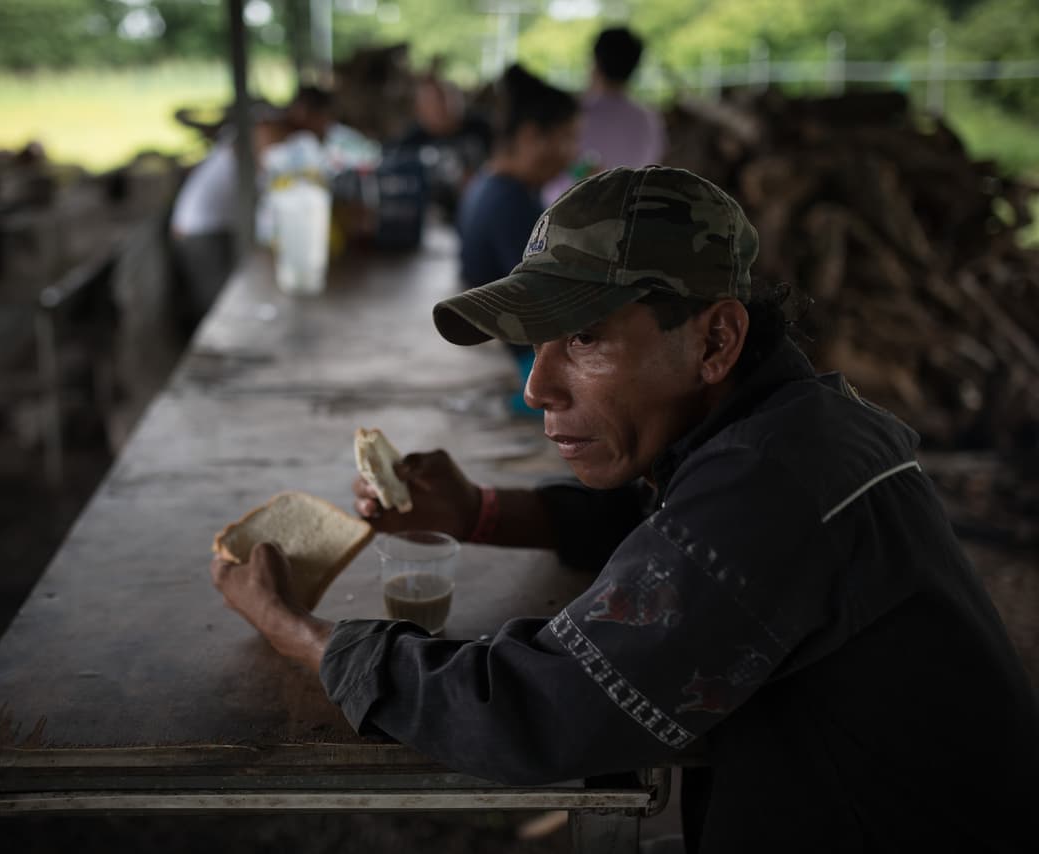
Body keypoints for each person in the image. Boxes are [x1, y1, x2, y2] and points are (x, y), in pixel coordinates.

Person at [212, 166, 1039, 852]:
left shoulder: (774, 486)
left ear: (715, 340)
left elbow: (539, 707)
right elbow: (669, 532)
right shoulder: (787, 426)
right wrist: (480, 511)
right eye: (536, 344)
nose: (537, 387)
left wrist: (303, 635)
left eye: (584, 340)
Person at [457, 64, 579, 411]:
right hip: (525, 364)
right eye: (567, 137)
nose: (572, 152)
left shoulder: (490, 183)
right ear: (530, 137)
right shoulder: (510, 201)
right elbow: (548, 300)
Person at [169, 101, 288, 332]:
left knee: (223, 294)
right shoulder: (242, 151)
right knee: (214, 302)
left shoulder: (237, 147)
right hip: (198, 232)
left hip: (208, 228)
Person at [544, 26, 666, 205]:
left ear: (595, 62)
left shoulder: (573, 115)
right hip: (628, 218)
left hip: (566, 218)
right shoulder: (650, 119)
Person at [392, 73, 494, 221]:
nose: (442, 107)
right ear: (419, 109)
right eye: (433, 102)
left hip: (482, 209)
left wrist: (478, 182)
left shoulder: (482, 128)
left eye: (446, 98)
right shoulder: (410, 143)